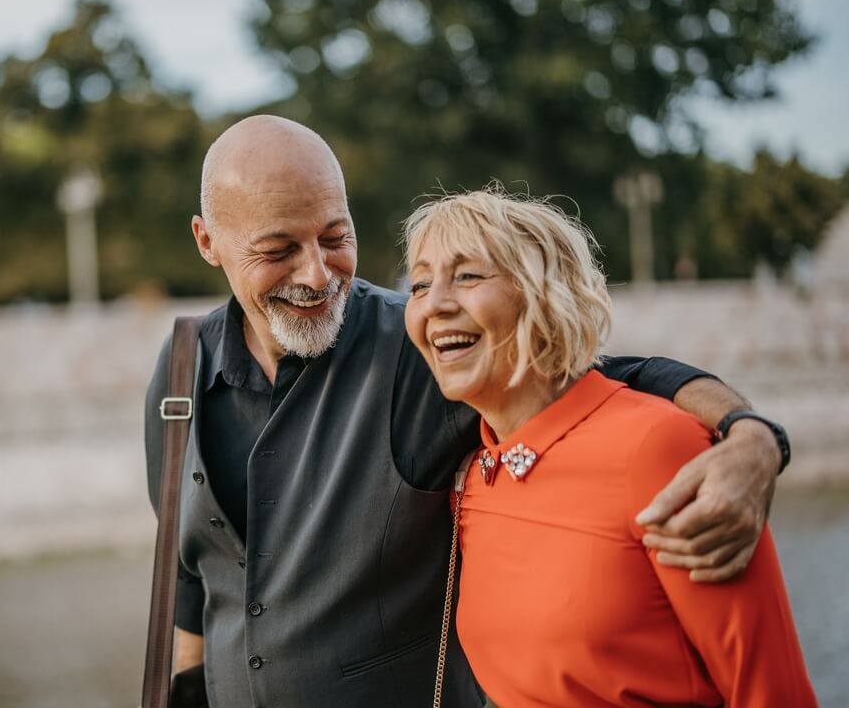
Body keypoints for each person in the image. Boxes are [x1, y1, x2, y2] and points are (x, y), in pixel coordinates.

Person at [143, 115, 789, 707]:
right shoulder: (177, 377)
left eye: (336, 237)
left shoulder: (424, 346)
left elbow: (605, 375)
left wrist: (751, 434)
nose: (318, 274)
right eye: (279, 250)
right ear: (208, 242)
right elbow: (193, 584)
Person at [402, 188, 816, 706]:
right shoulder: (474, 475)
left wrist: (755, 432)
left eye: (467, 275)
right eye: (419, 283)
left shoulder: (660, 446)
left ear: (543, 294)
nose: (435, 303)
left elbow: (771, 690)